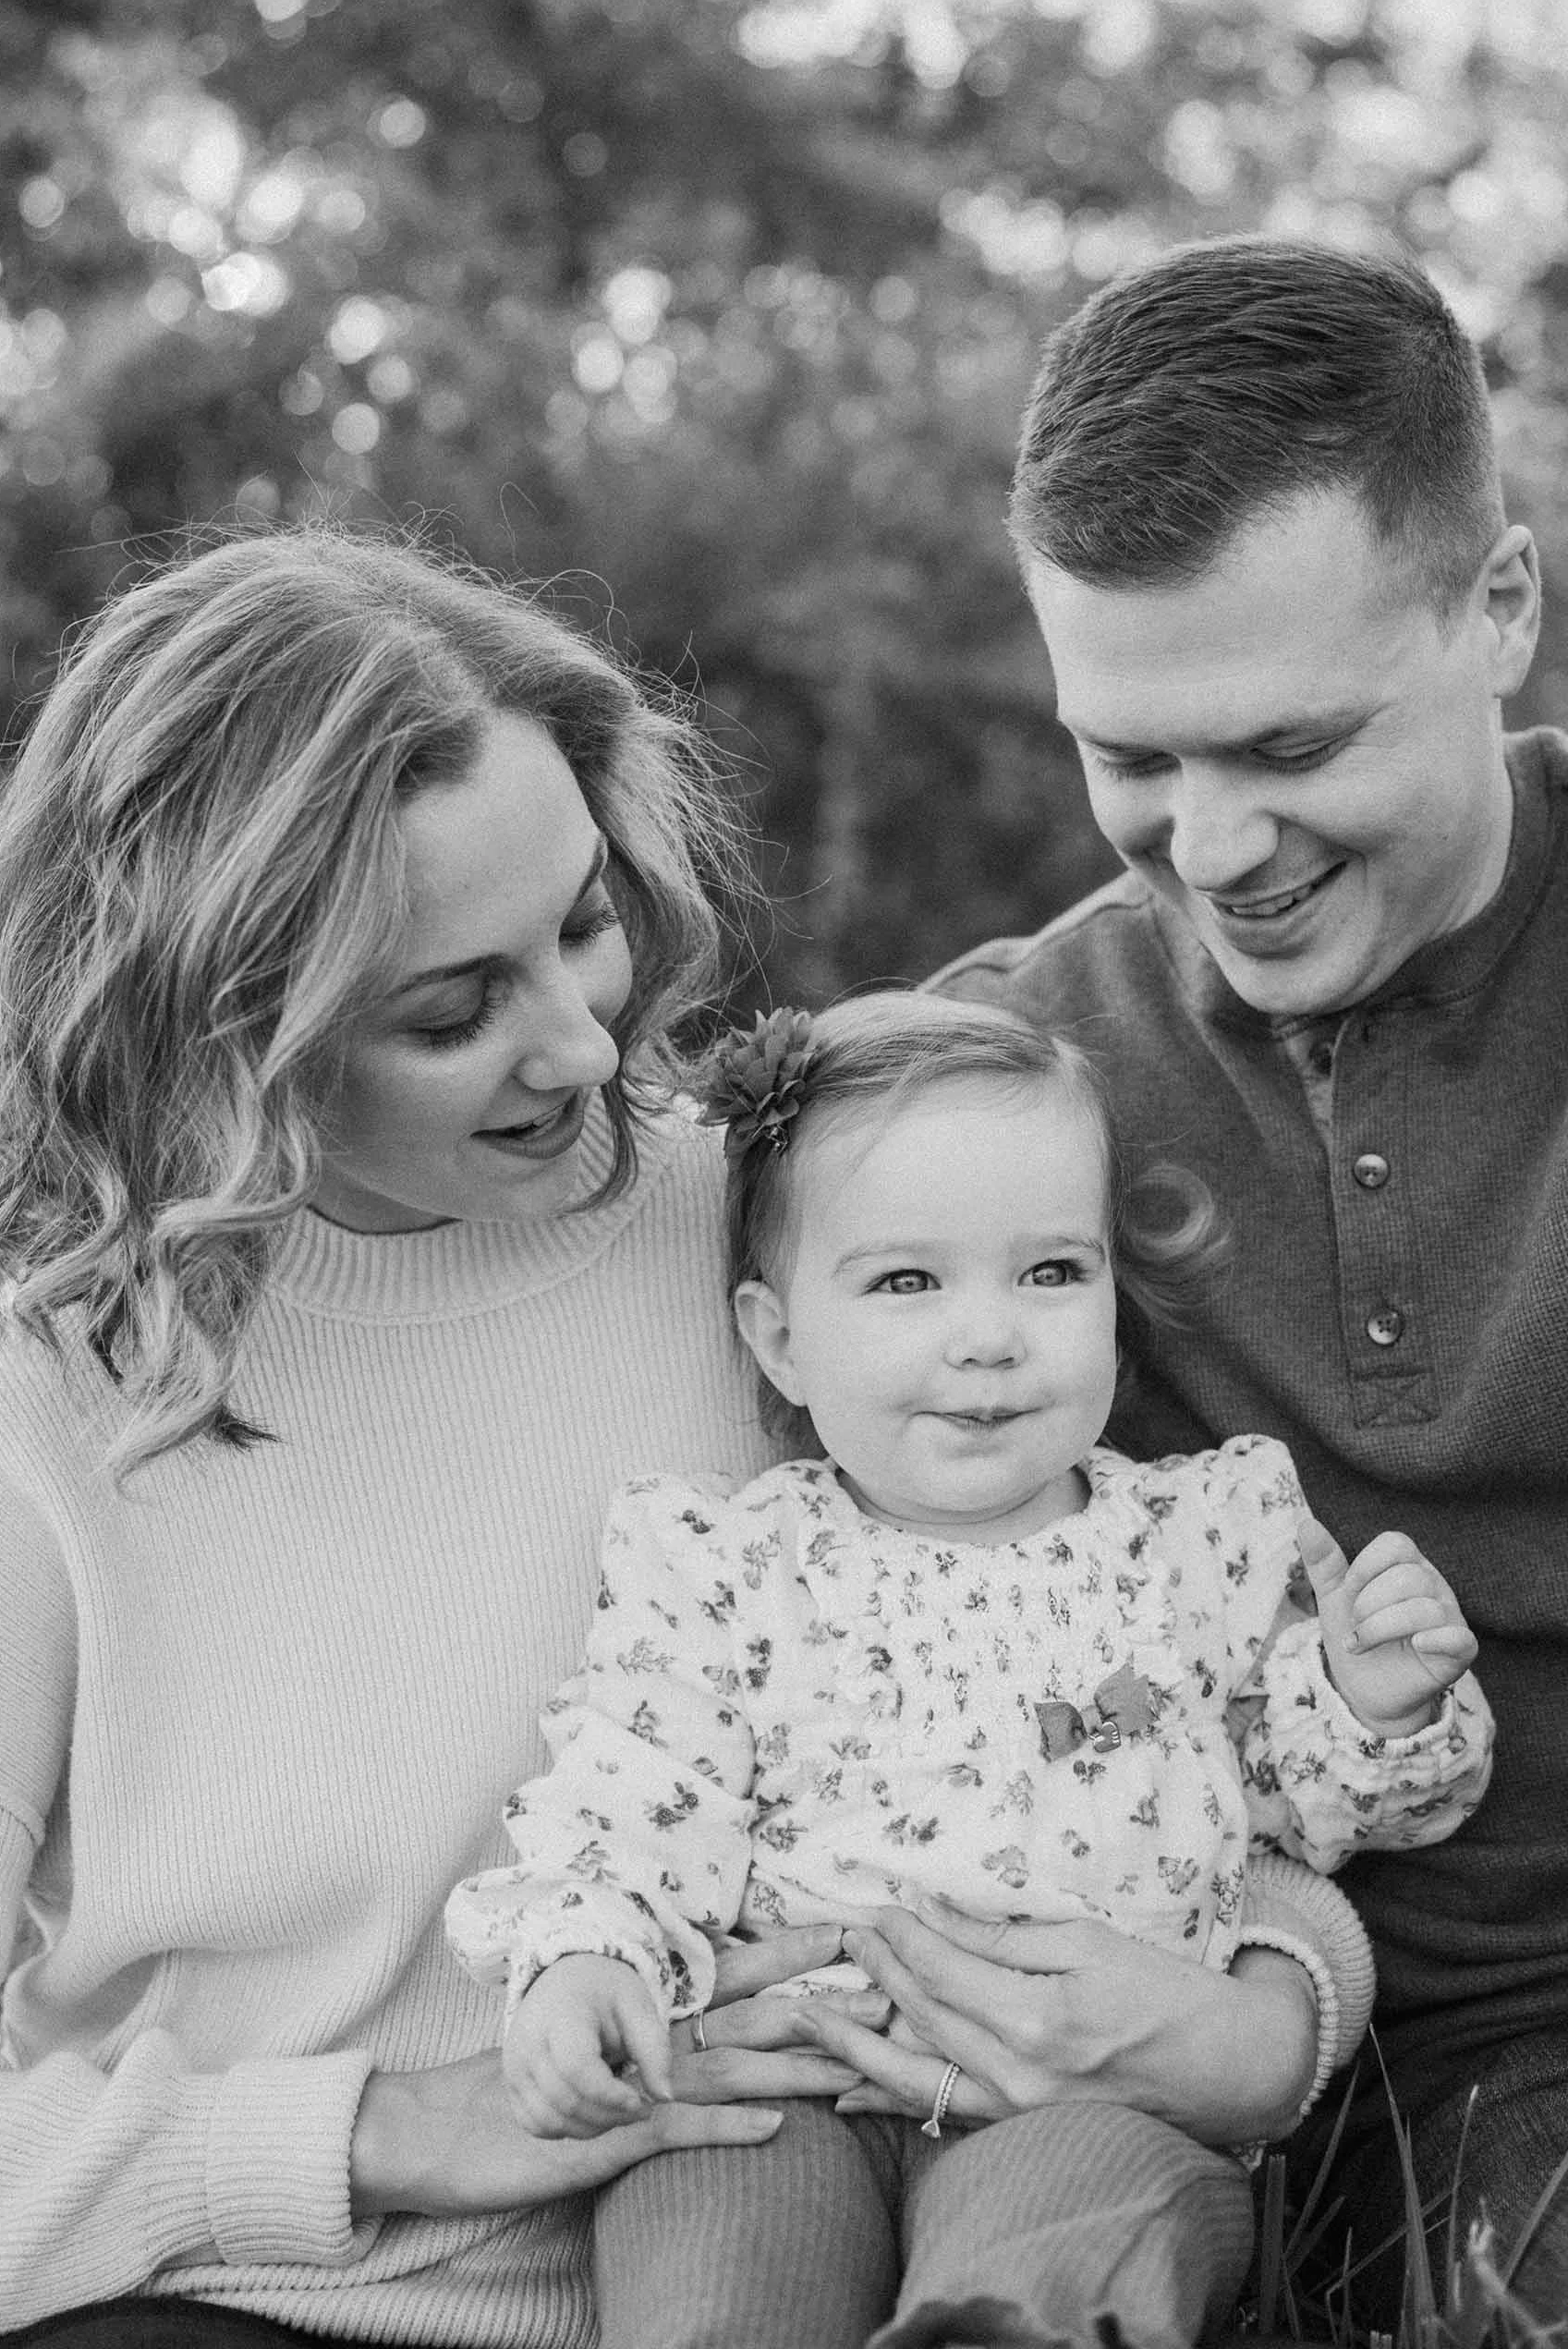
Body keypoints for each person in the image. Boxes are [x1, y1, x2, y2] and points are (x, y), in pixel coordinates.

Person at [0, 522, 1365, 2348]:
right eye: (452, 1008)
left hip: (818, 2246)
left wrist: (1276, 2007)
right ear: (225, 1027)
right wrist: (385, 2131)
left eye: (577, 921)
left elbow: (1137, 1674)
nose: (583, 1046)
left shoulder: (812, 1262)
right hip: (239, 2302)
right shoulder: (27, 1419)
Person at [915, 235, 1568, 2340]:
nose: (1210, 843)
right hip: (1492, 2070)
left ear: (1504, 608)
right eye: (1133, 758)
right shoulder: (1001, 1093)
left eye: (1288, 743)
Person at [446, 992, 1491, 2349]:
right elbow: (640, 1792)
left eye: (1051, 1273)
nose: (990, 1335)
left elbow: (1307, 1815)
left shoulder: (1197, 1548)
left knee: (1062, 2269)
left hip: (1086, 2093)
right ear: (777, 1339)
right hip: (791, 2083)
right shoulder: (730, 1565)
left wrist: (1369, 1698)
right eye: (905, 1282)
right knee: (717, 2278)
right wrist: (587, 1961)